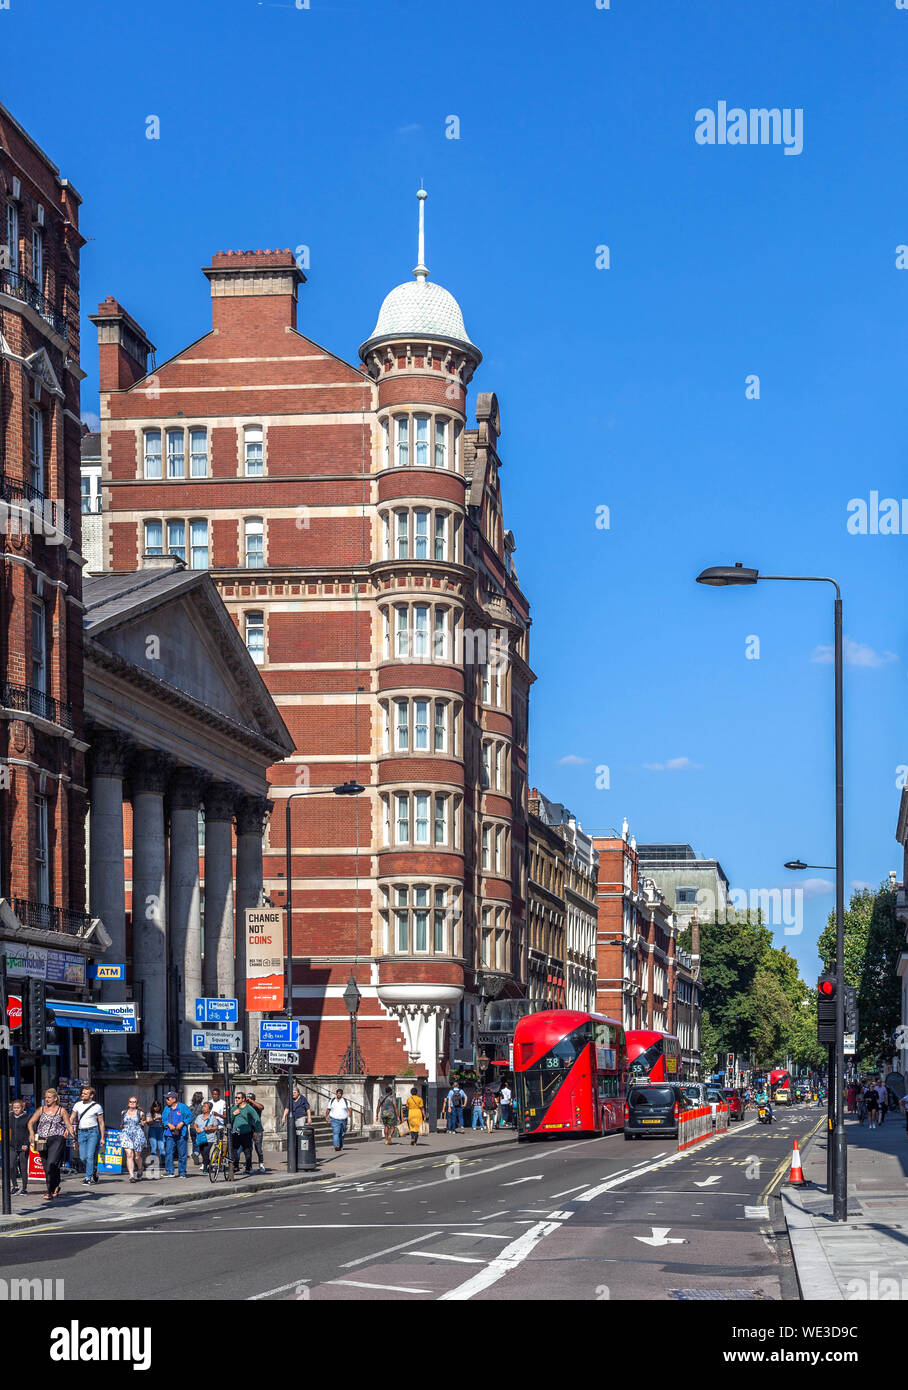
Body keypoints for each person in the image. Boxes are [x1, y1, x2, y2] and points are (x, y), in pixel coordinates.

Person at [28, 1088, 74, 1201]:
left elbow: (68, 1125)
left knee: (51, 1163)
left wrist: (74, 1138)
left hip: (57, 1138)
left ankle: (49, 1191)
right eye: (45, 1097)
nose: (47, 1099)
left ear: (55, 1098)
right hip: (41, 1139)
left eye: (49, 1097)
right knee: (46, 1166)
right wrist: (32, 1134)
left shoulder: (61, 1110)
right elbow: (30, 1122)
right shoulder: (41, 1109)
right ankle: (55, 1185)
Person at [70, 1085, 106, 1187]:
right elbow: (72, 1117)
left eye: (85, 1094)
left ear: (91, 1095)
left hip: (93, 1132)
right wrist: (67, 1129)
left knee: (90, 1156)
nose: (82, 1095)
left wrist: (102, 1137)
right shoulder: (77, 1105)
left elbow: (101, 1122)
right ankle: (93, 1169)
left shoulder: (97, 1107)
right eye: (82, 1093)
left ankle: (87, 1178)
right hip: (81, 1132)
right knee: (82, 1157)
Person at [229, 1090, 260, 1175]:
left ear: (243, 1099)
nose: (236, 1099)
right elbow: (229, 1120)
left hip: (246, 1132)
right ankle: (235, 1166)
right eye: (236, 1098)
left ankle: (248, 1167)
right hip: (236, 1132)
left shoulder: (249, 1108)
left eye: (238, 1098)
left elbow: (257, 1118)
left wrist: (256, 1131)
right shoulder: (235, 1108)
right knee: (234, 1150)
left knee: (247, 1151)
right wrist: (233, 1114)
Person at [162, 1090, 192, 1176]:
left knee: (182, 1154)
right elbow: (163, 1119)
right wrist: (168, 1124)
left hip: (181, 1133)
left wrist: (183, 1122)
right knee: (169, 1152)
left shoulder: (183, 1107)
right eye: (166, 1099)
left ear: (174, 1099)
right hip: (169, 1133)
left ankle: (182, 1172)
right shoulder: (166, 1108)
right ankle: (169, 1171)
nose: (166, 1100)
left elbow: (190, 1117)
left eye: (168, 1098)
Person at [120, 1097, 147, 1182]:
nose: (132, 1103)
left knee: (136, 1156)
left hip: (137, 1134)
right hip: (126, 1134)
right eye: (130, 1102)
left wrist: (143, 1122)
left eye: (134, 1102)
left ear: (137, 1104)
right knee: (129, 1154)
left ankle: (140, 1168)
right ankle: (131, 1175)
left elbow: (144, 1121)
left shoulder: (140, 1113)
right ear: (128, 1103)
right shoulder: (123, 1112)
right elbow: (122, 1123)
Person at [9, 1099, 30, 1195]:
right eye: (14, 1108)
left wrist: (26, 1144)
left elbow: (30, 1132)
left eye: (18, 1108)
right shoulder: (10, 1118)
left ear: (22, 1108)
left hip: (23, 1146)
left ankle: (24, 1188)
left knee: (23, 1167)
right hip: (12, 1145)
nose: (16, 1110)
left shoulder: (27, 1118)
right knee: (11, 1165)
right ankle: (15, 1186)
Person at [193, 1101, 220, 1172]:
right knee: (202, 1153)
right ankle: (208, 1162)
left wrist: (209, 1128)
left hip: (209, 1138)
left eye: (205, 1107)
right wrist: (196, 1129)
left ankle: (205, 1168)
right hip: (200, 1138)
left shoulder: (212, 1118)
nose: (203, 1108)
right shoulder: (199, 1117)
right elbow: (195, 1124)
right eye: (203, 1106)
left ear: (209, 1109)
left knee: (206, 1152)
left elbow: (216, 1127)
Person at [246, 1091, 266, 1172]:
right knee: (248, 1149)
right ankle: (249, 1166)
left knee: (258, 1148)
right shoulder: (245, 1107)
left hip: (257, 1130)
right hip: (248, 1130)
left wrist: (251, 1101)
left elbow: (261, 1107)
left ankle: (261, 1164)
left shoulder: (256, 1107)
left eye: (250, 1099)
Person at [188, 1091, 205, 1166]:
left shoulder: (190, 1107)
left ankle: (195, 1156)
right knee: (201, 1143)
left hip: (191, 1127)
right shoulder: (202, 1108)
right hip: (199, 1127)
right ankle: (196, 1153)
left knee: (194, 1143)